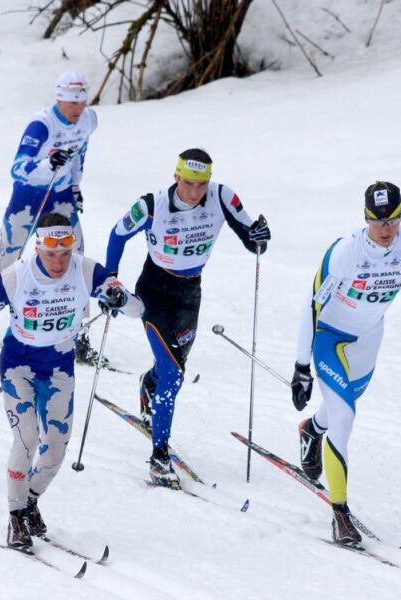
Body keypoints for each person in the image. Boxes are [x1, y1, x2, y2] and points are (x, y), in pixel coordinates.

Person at [290, 181, 401, 546]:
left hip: (368, 337)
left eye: (392, 221)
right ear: (366, 218)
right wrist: (302, 366)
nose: (386, 230)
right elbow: (311, 305)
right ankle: (340, 512)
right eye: (378, 221)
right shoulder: (345, 251)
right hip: (330, 337)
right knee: (345, 417)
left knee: (347, 401)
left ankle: (312, 430)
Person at [0, 213, 142, 550]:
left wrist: (119, 299)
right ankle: (15, 515)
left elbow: (137, 309)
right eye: (51, 253)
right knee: (27, 439)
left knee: (57, 447)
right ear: (38, 247)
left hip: (60, 367)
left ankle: (30, 500)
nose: (59, 261)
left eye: (65, 252)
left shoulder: (86, 270)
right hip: (19, 365)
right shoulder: (15, 277)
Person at [104, 148, 270, 488]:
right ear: (176, 177)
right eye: (189, 183)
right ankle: (159, 458)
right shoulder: (151, 205)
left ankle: (149, 385)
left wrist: (259, 237)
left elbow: (250, 237)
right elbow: (117, 235)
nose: (195, 192)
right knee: (175, 374)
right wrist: (111, 279)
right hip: (154, 291)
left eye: (201, 185)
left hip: (190, 293)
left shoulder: (223, 197)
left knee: (171, 367)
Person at [0, 70, 102, 364]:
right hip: (29, 197)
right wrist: (47, 164)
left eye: (82, 103)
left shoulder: (89, 120)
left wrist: (75, 188)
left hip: (61, 197)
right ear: (59, 99)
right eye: (71, 104)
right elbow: (18, 168)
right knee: (8, 258)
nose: (77, 110)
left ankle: (79, 334)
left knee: (74, 257)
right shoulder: (42, 125)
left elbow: (79, 156)